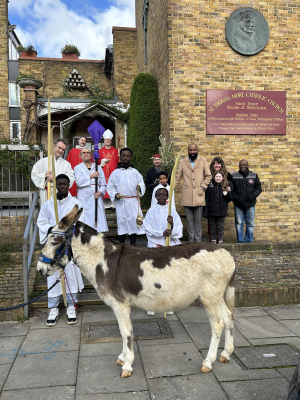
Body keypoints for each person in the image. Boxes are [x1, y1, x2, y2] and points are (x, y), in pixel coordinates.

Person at [37, 174, 84, 327]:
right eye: (60, 184)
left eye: (65, 184)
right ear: (55, 185)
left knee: (70, 273)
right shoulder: (48, 205)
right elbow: (41, 221)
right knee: (52, 275)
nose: (62, 186)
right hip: (54, 246)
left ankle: (71, 306)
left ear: (69, 185)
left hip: (68, 245)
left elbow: (82, 222)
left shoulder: (75, 203)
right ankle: (53, 308)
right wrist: (51, 229)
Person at [144, 187, 183, 316]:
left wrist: (171, 227)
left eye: (164, 194)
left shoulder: (171, 211)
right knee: (154, 275)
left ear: (167, 197)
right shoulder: (151, 211)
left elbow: (179, 228)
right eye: (159, 194)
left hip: (168, 245)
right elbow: (147, 229)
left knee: (168, 276)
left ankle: (167, 304)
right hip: (156, 245)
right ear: (155, 197)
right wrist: (161, 233)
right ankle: (152, 305)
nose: (161, 196)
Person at [107, 147, 145, 245]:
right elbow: (110, 187)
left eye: (127, 156)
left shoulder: (135, 172)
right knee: (122, 223)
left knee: (133, 223)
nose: (125, 158)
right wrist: (115, 194)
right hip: (121, 201)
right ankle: (121, 245)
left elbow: (141, 182)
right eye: (123, 156)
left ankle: (133, 244)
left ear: (130, 157)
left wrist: (139, 187)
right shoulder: (115, 173)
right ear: (120, 157)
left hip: (133, 201)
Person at [174, 143, 211, 242]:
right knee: (189, 222)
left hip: (199, 195)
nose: (192, 152)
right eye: (190, 150)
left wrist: (203, 186)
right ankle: (191, 242)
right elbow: (178, 177)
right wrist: (170, 189)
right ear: (188, 151)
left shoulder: (203, 160)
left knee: (198, 222)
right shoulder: (183, 162)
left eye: (194, 150)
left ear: (197, 150)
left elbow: (208, 176)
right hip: (187, 195)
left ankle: (198, 243)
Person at [31, 138, 75, 206]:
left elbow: (71, 178)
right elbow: (34, 174)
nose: (60, 151)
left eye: (63, 149)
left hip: (61, 193)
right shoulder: (43, 162)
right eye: (59, 148)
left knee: (60, 214)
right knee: (47, 214)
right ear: (54, 146)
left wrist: (55, 179)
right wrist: (45, 175)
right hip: (47, 193)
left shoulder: (67, 164)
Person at [74, 148, 108, 233]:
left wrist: (100, 192)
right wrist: (91, 176)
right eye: (84, 153)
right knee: (84, 219)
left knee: (97, 221)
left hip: (96, 197)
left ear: (91, 155)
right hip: (83, 197)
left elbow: (103, 184)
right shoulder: (77, 168)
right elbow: (79, 182)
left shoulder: (98, 168)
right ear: (81, 156)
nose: (86, 154)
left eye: (88, 152)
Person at [231, 159, 262, 243]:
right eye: (241, 165)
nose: (243, 166)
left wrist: (253, 196)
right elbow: (231, 189)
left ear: (248, 165)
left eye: (244, 165)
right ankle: (240, 241)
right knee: (239, 223)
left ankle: (249, 242)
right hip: (238, 204)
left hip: (250, 203)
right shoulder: (234, 176)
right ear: (239, 166)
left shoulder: (254, 175)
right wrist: (236, 198)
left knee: (250, 223)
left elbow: (258, 188)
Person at [203, 171, 233, 244]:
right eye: (217, 176)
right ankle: (213, 239)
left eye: (220, 177)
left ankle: (220, 240)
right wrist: (205, 212)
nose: (218, 178)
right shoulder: (210, 187)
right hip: (212, 211)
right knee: (212, 227)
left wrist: (226, 194)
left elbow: (230, 199)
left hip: (221, 211)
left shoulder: (225, 187)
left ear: (222, 178)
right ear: (214, 177)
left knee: (220, 227)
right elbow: (206, 199)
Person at [98, 129, 119, 209]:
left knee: (113, 187)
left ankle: (113, 204)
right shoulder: (100, 151)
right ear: (104, 140)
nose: (107, 141)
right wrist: (103, 161)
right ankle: (105, 205)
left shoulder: (115, 150)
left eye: (109, 140)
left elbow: (117, 161)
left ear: (111, 141)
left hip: (113, 172)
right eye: (106, 140)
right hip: (103, 173)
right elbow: (98, 162)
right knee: (104, 187)